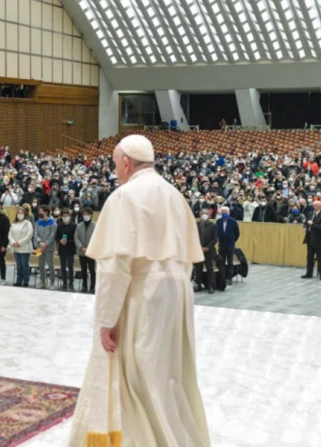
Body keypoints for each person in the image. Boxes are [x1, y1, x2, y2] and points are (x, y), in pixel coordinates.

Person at [68, 135, 209, 447]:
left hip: (143, 293)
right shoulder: (174, 195)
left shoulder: (124, 196)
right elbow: (186, 257)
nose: (115, 170)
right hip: (177, 293)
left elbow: (116, 265)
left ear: (126, 163)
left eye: (115, 164)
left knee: (138, 377)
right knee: (169, 373)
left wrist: (107, 319)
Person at [302, 200, 321, 280]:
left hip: (319, 240)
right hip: (310, 239)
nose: (314, 207)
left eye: (315, 205)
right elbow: (306, 222)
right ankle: (308, 273)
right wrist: (305, 227)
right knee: (309, 258)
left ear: (319, 206)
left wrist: (312, 224)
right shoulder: (310, 214)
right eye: (313, 205)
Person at [8, 206, 33, 287]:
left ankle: (26, 281)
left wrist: (19, 243)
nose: (20, 214)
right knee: (18, 266)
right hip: (15, 247)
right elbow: (10, 234)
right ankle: (18, 281)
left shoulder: (28, 223)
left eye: (21, 213)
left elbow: (29, 235)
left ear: (24, 214)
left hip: (24, 247)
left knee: (24, 265)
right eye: (18, 213)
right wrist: (13, 242)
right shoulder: (14, 223)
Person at [195, 207, 218, 294]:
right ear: (200, 215)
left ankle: (210, 286)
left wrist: (207, 247)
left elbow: (215, 239)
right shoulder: (196, 225)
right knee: (198, 269)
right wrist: (199, 247)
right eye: (202, 213)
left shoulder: (213, 225)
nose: (204, 215)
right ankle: (198, 285)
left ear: (209, 215)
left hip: (209, 251)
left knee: (209, 268)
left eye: (206, 213)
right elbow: (193, 237)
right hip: (198, 250)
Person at [33, 205, 56, 289]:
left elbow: (52, 235)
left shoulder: (53, 222)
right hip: (39, 248)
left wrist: (45, 244)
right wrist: (40, 242)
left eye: (41, 211)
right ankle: (43, 282)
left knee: (50, 265)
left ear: (46, 212)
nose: (39, 212)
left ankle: (52, 283)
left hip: (49, 248)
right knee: (40, 265)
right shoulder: (38, 222)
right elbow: (35, 233)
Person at [216, 205, 240, 286]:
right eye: (223, 213)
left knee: (230, 262)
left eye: (225, 212)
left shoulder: (233, 221)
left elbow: (237, 233)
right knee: (221, 261)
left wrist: (232, 240)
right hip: (221, 244)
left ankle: (230, 278)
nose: (224, 214)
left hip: (230, 244)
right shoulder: (218, 221)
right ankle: (222, 277)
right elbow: (217, 232)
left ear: (229, 213)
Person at [75, 207, 96, 294]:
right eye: (84, 214)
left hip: (91, 252)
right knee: (83, 270)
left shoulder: (95, 226)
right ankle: (84, 286)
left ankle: (92, 287)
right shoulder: (79, 225)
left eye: (87, 214)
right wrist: (82, 247)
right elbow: (76, 237)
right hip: (81, 252)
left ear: (91, 215)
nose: (85, 216)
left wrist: (89, 248)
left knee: (92, 270)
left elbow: (96, 238)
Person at [56, 208, 77, 291]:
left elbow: (75, 238)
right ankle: (64, 283)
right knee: (63, 267)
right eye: (64, 216)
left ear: (70, 216)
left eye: (67, 216)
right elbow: (56, 237)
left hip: (70, 249)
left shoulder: (74, 226)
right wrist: (60, 241)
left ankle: (71, 283)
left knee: (70, 267)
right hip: (62, 249)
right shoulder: (59, 226)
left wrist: (67, 241)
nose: (65, 217)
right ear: (61, 217)